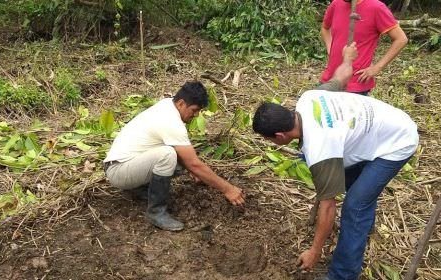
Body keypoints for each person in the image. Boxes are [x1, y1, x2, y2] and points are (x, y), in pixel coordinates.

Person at [252, 43, 418, 279]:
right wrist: (348, 58)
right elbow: (341, 77)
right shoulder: (308, 99)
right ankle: (361, 229)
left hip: (396, 142)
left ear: (280, 136)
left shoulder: (320, 148)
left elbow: (328, 205)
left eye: (270, 140)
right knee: (354, 185)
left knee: (355, 206)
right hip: (377, 128)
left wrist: (314, 251)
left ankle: (343, 274)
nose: (271, 144)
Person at [104, 81, 245, 232]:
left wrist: (194, 170)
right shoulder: (171, 121)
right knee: (168, 156)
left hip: (126, 164)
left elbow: (187, 158)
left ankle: (139, 189)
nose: (196, 115)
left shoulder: (168, 105)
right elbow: (194, 164)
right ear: (181, 103)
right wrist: (228, 189)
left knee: (175, 161)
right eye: (194, 110)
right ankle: (156, 212)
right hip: (119, 171)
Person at [320, 0, 408, 95]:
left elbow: (401, 39)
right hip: (330, 79)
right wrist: (330, 49)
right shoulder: (336, 4)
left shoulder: (376, 7)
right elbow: (325, 28)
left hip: (355, 85)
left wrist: (377, 68)